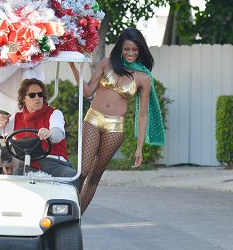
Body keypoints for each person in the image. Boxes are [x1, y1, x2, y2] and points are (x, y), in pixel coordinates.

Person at [69, 27, 164, 214]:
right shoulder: (107, 63)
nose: (130, 53)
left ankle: (76, 218)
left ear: (140, 50)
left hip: (115, 127)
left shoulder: (143, 78)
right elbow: (88, 90)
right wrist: (73, 65)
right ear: (121, 47)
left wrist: (139, 148)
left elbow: (142, 114)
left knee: (95, 175)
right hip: (93, 118)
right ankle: (67, 210)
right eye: (127, 48)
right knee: (84, 170)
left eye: (135, 49)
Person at [0, 78, 75, 178]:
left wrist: (50, 134)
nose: (37, 98)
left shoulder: (54, 113)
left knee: (68, 175)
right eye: (32, 95)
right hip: (29, 165)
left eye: (40, 94)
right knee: (16, 175)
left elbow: (58, 133)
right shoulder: (15, 118)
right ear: (23, 98)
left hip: (54, 164)